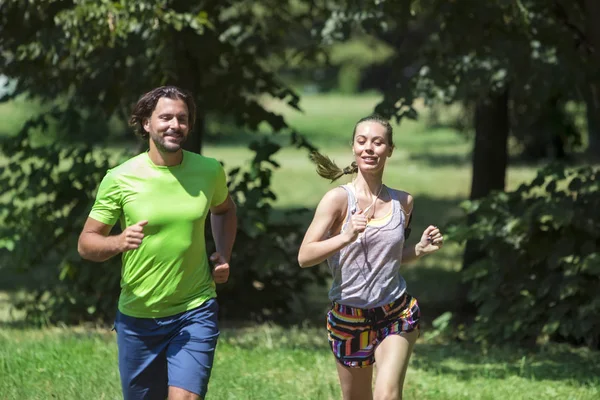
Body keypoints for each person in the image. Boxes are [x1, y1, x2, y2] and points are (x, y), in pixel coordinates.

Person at [77, 86, 237, 400]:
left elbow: (225, 209)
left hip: (195, 309)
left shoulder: (209, 171)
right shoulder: (121, 178)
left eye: (182, 118)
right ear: (146, 123)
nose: (174, 125)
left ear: (190, 126)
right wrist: (120, 241)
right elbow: (86, 243)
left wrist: (223, 253)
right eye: (165, 117)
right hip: (138, 316)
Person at [297, 114, 444, 400]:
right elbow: (304, 256)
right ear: (353, 147)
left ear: (389, 149)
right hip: (349, 318)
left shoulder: (403, 202)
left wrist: (419, 250)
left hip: (395, 313)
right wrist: (345, 236)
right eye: (362, 141)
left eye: (378, 142)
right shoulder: (338, 200)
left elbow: (387, 260)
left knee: (387, 395)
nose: (369, 148)